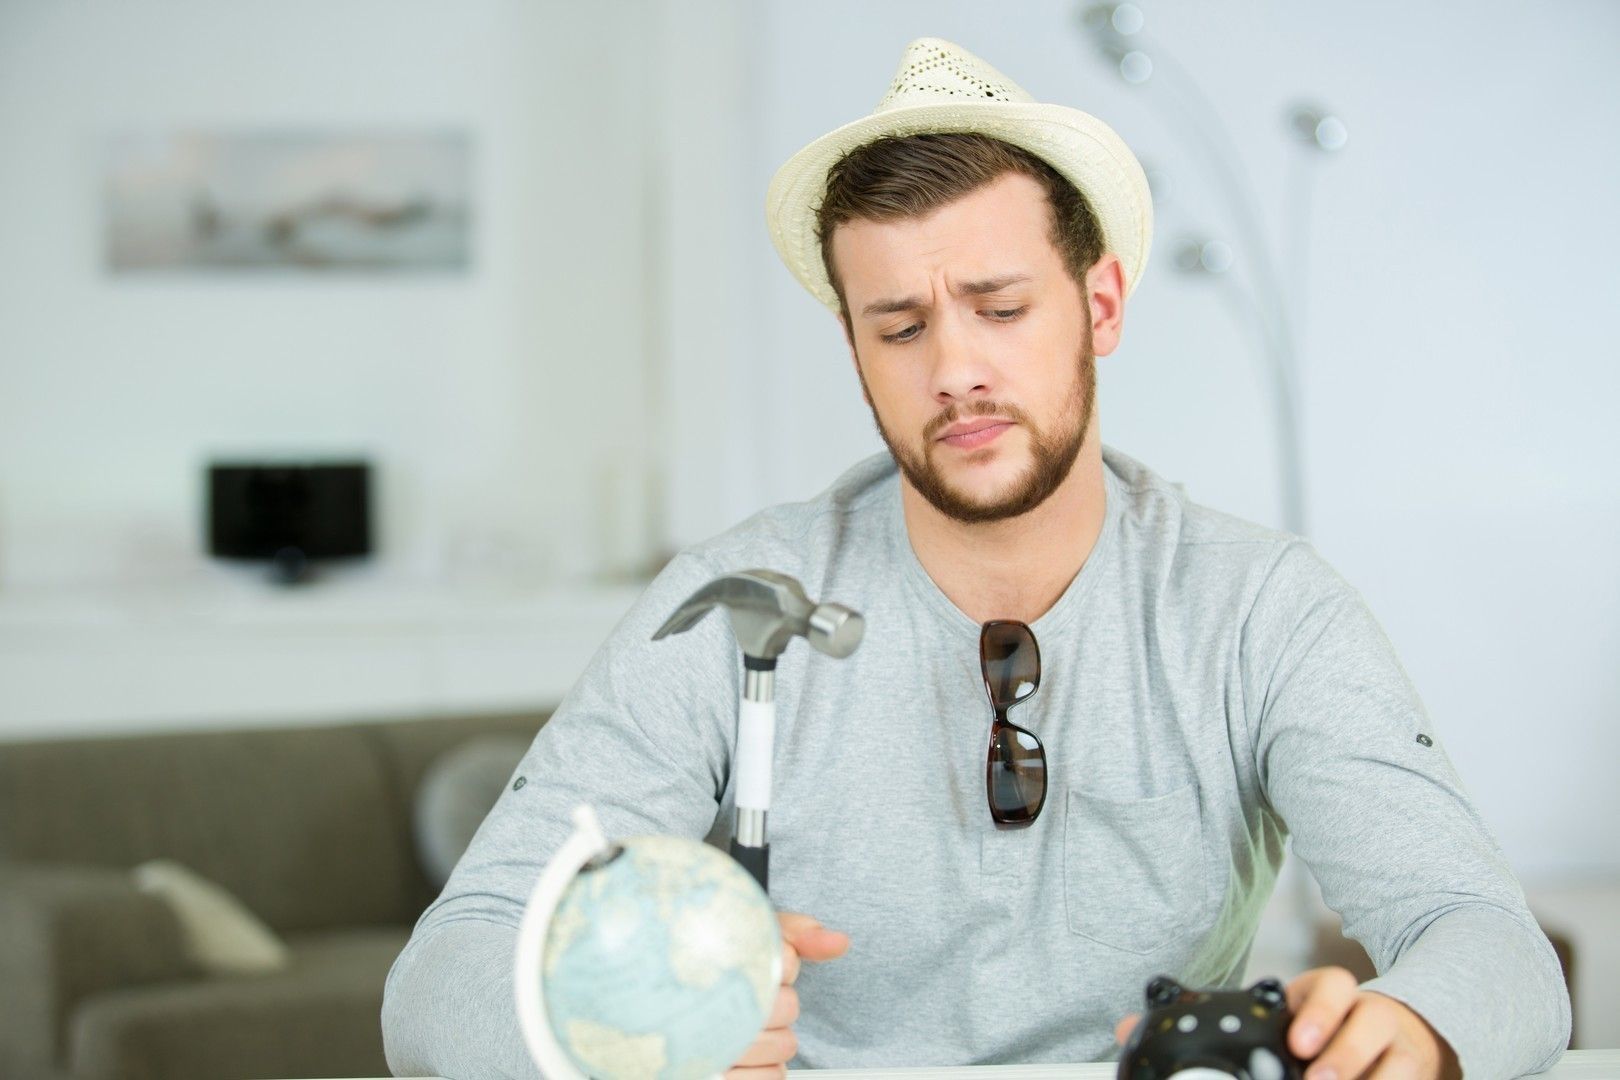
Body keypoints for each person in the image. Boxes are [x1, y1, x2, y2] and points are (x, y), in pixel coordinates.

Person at [382, 37, 1570, 1080]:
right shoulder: (734, 599)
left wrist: (1413, 1026)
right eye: (899, 326)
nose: (952, 368)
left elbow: (1486, 937)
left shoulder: (1261, 610)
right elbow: (441, 977)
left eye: (999, 307)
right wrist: (585, 1041)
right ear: (854, 345)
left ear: (1100, 304)